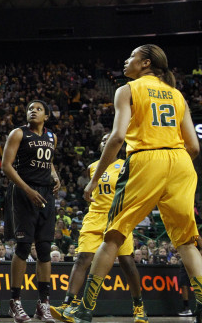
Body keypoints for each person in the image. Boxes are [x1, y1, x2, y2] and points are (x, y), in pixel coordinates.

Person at [72, 45, 201, 323]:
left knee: (113, 236)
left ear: (144, 64)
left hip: (145, 158)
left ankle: (85, 308)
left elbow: (117, 137)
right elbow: (194, 146)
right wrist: (170, 163)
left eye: (130, 57)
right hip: (181, 162)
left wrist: (94, 180)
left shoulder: (128, 90)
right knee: (186, 242)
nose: (125, 61)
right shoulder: (178, 95)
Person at [50, 133, 148, 322]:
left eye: (109, 139)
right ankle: (68, 305)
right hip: (95, 216)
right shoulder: (92, 167)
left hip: (117, 217)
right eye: (102, 140)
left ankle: (139, 308)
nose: (105, 141)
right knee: (82, 259)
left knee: (127, 263)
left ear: (117, 145)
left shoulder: (127, 164)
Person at [2, 100, 61, 322]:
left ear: (46, 115)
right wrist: (27, 190)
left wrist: (55, 176)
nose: (32, 111)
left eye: (38, 109)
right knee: (24, 246)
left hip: (46, 193)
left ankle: (43, 304)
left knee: (45, 249)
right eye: (29, 108)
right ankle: (14, 302)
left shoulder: (51, 137)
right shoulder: (18, 134)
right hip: (23, 192)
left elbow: (50, 162)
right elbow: (6, 166)